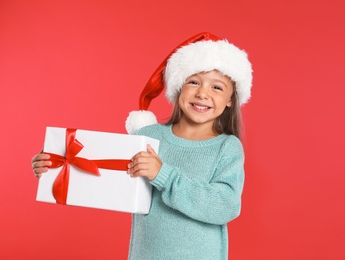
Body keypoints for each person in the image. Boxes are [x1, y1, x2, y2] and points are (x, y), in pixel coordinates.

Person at [32, 32, 253, 260]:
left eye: (217, 87)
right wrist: (54, 164)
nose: (202, 93)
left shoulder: (227, 147)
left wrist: (163, 175)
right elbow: (105, 172)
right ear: (179, 88)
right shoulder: (148, 136)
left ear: (230, 99)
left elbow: (225, 206)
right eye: (194, 82)